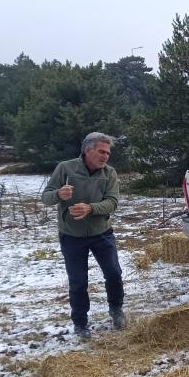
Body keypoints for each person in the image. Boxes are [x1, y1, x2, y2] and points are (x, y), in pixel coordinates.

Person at [41, 132, 126, 337]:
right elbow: (46, 197)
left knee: (114, 273)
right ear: (88, 150)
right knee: (78, 282)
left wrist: (90, 208)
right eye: (101, 151)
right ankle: (80, 323)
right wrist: (59, 194)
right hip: (72, 236)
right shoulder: (65, 168)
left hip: (101, 233)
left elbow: (113, 203)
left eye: (108, 153)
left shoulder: (109, 173)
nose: (105, 156)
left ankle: (116, 310)